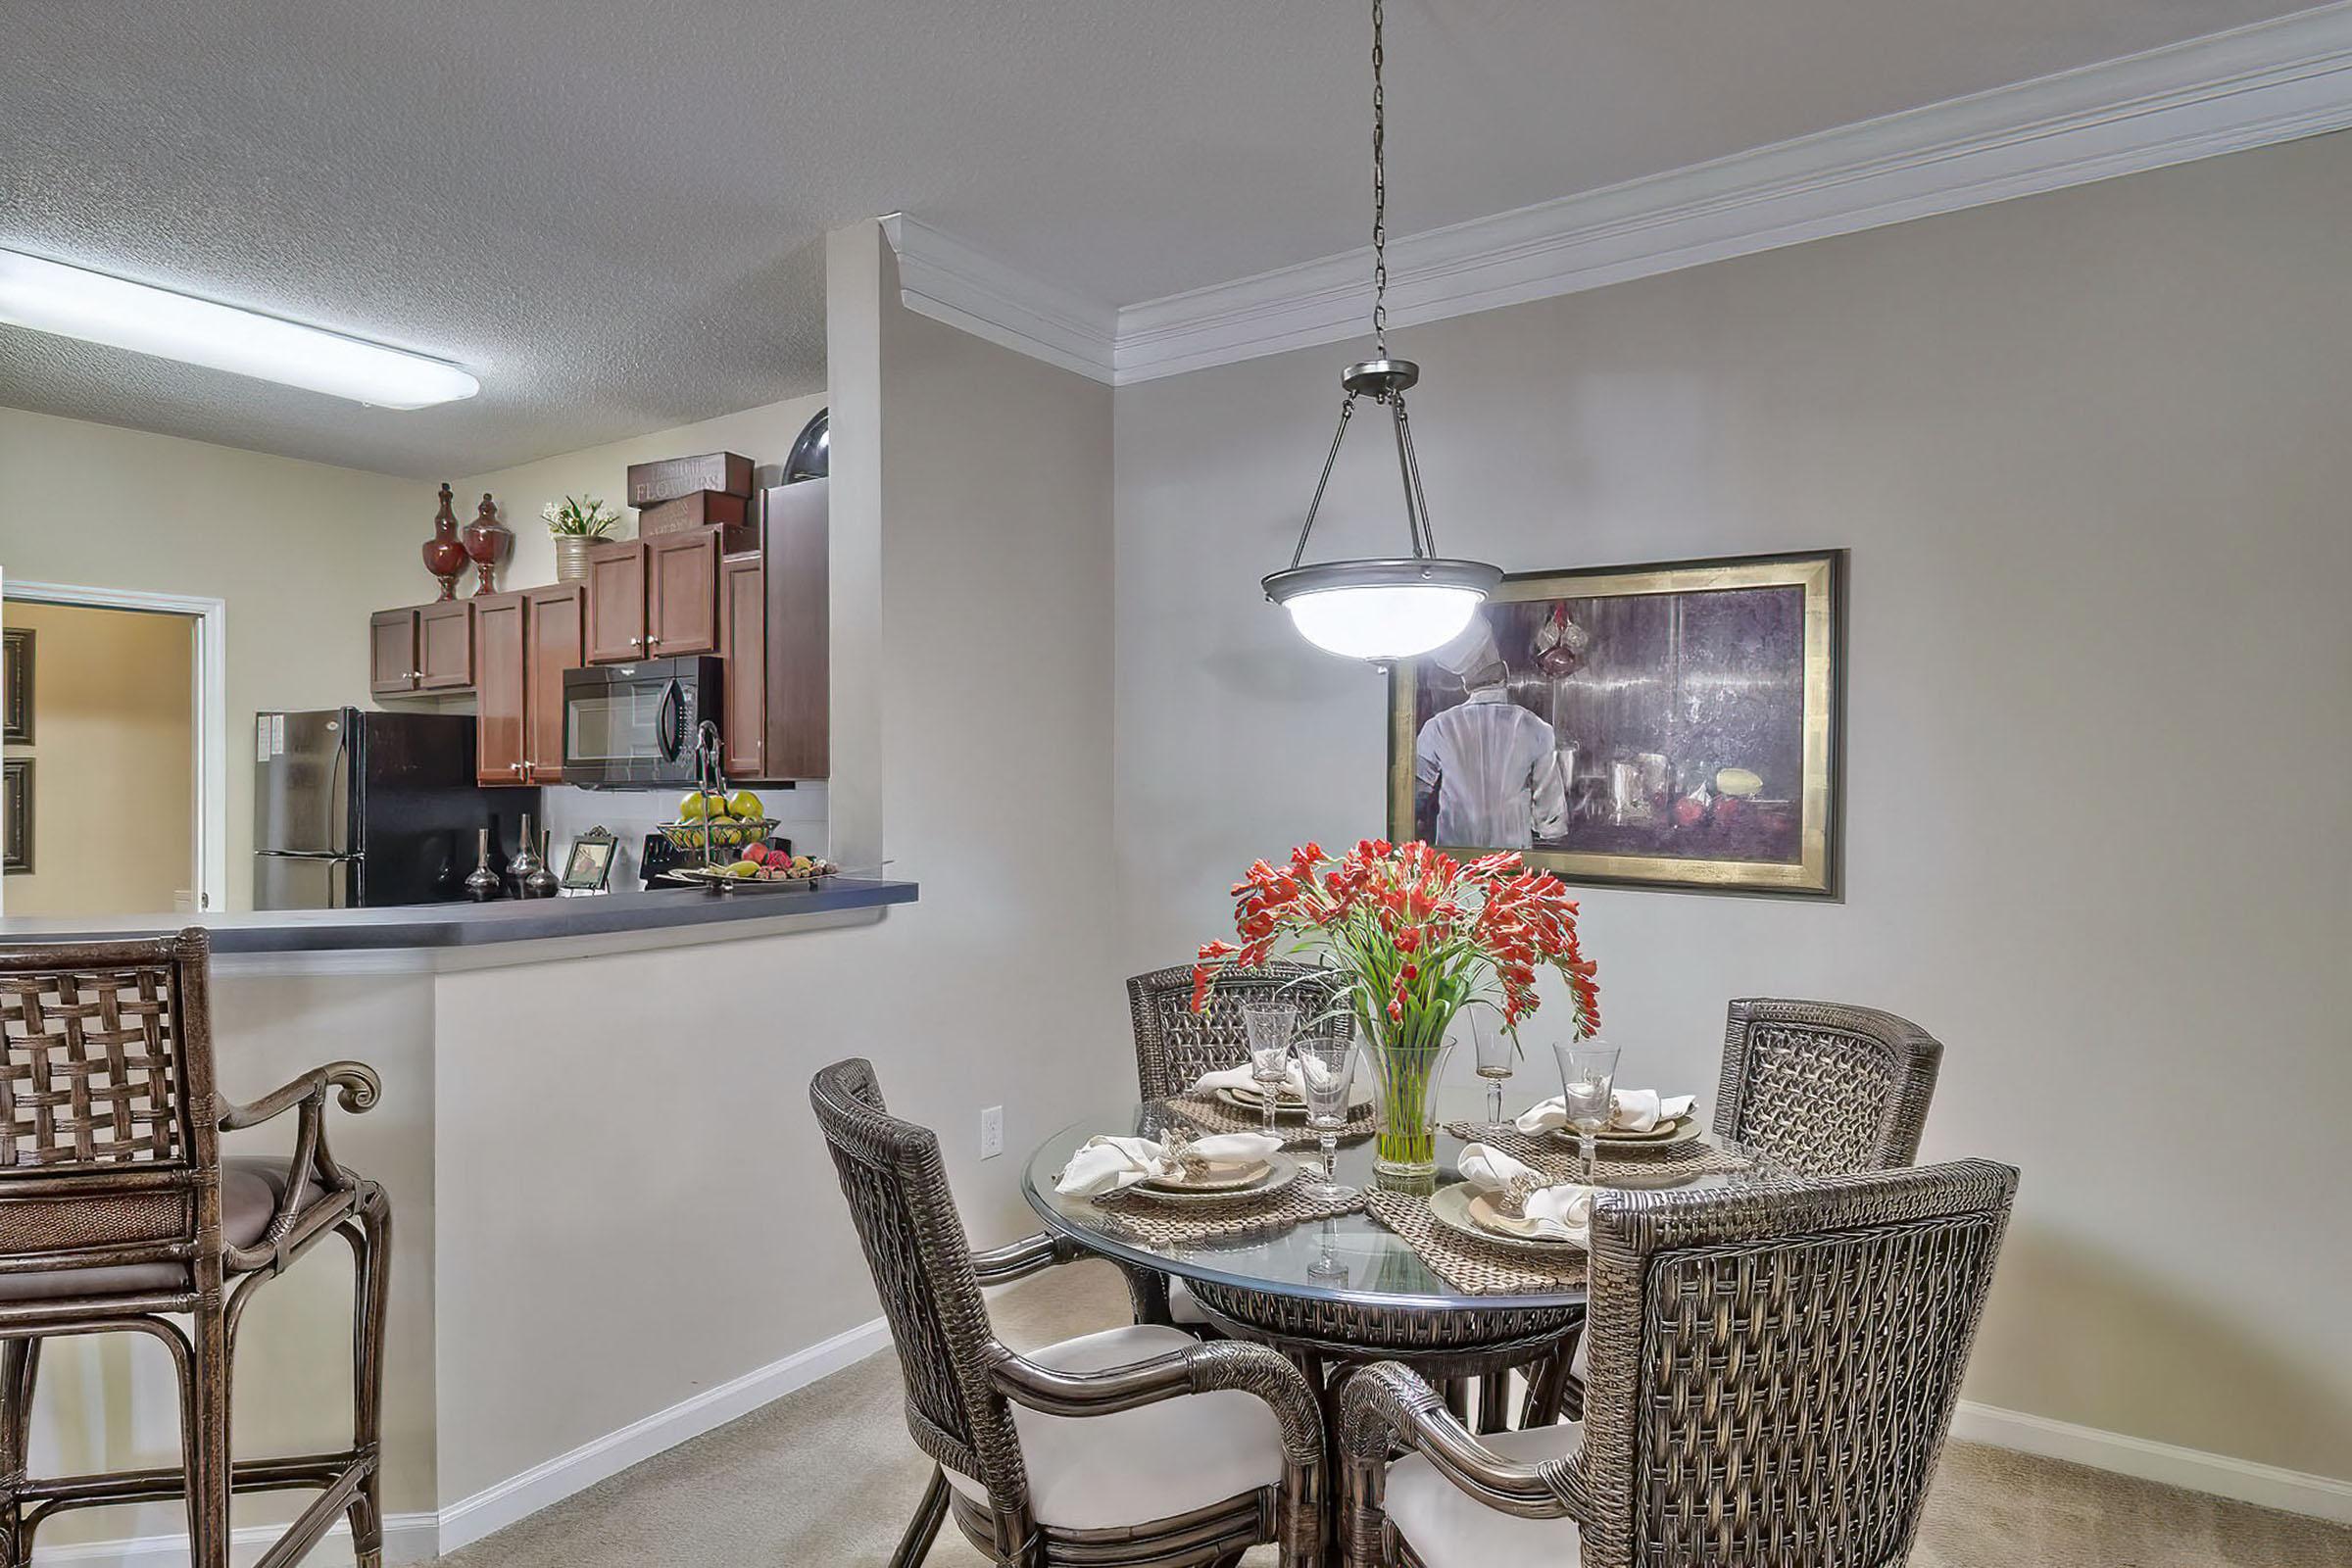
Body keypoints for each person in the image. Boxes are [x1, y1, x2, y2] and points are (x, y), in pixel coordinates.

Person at [1414, 624, 1568, 849]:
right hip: (1512, 863)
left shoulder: (1439, 726)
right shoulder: (1535, 727)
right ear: (1505, 673)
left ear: (1466, 683)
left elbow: (1414, 797)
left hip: (1455, 860)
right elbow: (1551, 817)